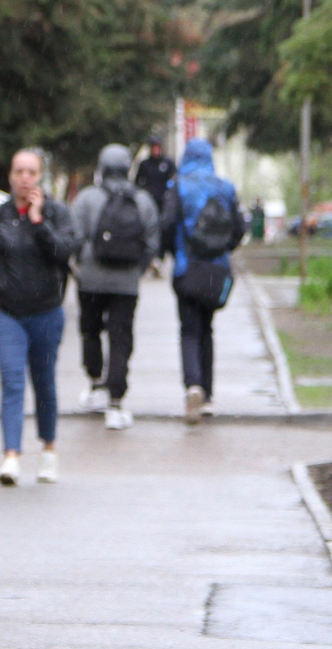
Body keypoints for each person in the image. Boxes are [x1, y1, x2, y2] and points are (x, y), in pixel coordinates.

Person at [0, 149, 78, 484]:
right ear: (10, 176)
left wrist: (39, 221)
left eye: (31, 172)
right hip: (6, 314)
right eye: (19, 171)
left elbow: (64, 253)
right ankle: (11, 456)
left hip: (46, 313)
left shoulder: (57, 214)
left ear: (40, 177)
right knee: (12, 381)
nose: (25, 178)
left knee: (44, 383)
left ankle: (49, 450)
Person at [69, 143, 160, 430]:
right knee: (121, 338)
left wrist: (81, 267)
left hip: (91, 280)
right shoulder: (143, 200)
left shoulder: (86, 198)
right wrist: (137, 270)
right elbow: (152, 242)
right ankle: (116, 402)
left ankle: (95, 383)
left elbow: (73, 237)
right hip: (126, 283)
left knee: (91, 330)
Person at [160, 137, 245, 424]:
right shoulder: (225, 187)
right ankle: (207, 395)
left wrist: (175, 252)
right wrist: (222, 250)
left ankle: (193, 385)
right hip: (216, 270)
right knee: (208, 330)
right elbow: (240, 228)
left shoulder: (178, 186)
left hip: (187, 268)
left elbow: (168, 225)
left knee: (189, 331)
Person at [133, 136, 177, 271]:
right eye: (154, 147)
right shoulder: (144, 164)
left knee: (163, 230)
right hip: (148, 203)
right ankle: (149, 257)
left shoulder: (168, 163)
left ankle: (160, 257)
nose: (156, 150)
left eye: (158, 147)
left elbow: (175, 180)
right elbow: (137, 183)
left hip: (164, 204)